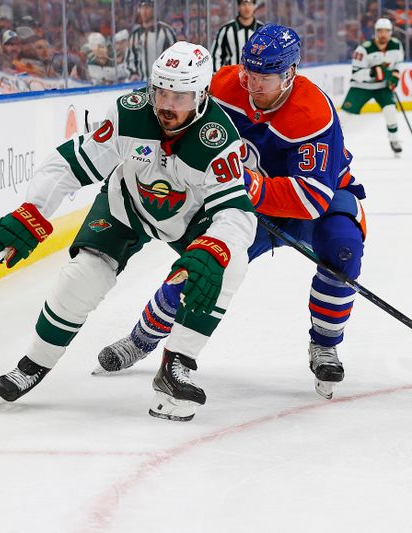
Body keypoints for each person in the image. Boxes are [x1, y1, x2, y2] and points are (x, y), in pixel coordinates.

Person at [0, 42, 256, 422]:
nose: (167, 104)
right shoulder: (130, 115)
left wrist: (216, 247)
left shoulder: (218, 139)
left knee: (227, 267)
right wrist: (33, 210)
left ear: (202, 95)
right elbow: (69, 162)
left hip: (190, 220)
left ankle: (176, 365)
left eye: (180, 95)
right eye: (161, 91)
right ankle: (33, 364)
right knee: (82, 276)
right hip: (126, 206)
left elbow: (236, 211)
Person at [96, 24, 366, 402]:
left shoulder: (313, 113)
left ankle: (324, 344)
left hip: (315, 197)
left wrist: (249, 186)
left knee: (344, 250)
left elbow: (311, 198)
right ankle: (142, 338)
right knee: (205, 262)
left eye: (263, 77)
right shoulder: (223, 86)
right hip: (249, 202)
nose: (252, 85)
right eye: (248, 73)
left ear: (289, 74)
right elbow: (171, 113)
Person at [340, 18, 405, 156]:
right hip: (361, 87)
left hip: (382, 87)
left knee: (390, 111)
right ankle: (331, 142)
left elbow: (397, 66)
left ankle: (394, 140)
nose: (383, 34)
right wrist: (372, 72)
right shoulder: (364, 49)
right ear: (375, 32)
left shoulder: (397, 45)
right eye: (380, 31)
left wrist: (394, 78)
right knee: (344, 116)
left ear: (390, 32)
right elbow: (356, 73)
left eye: (386, 31)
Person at [124, 0, 176, 81]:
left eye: (147, 7)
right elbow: (130, 59)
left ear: (154, 9)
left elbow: (175, 56)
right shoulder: (135, 35)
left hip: (164, 83)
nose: (144, 11)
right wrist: (133, 73)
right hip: (141, 83)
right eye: (142, 7)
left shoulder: (166, 31)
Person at [211, 0, 263, 72]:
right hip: (232, 78)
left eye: (250, 3)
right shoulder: (226, 30)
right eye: (244, 3)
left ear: (254, 6)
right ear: (238, 6)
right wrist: (219, 76)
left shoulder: (262, 30)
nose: (247, 7)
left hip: (257, 78)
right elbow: (216, 55)